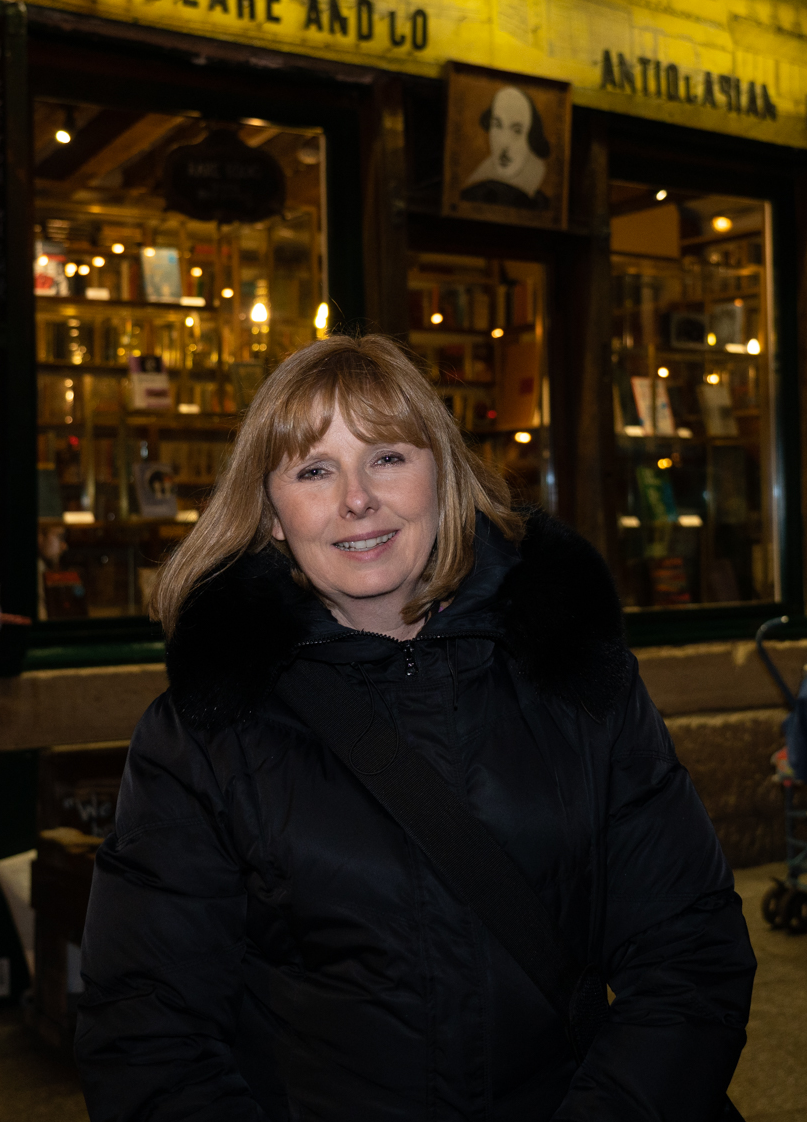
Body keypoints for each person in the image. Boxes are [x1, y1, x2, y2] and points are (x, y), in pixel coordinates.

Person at [76, 335, 755, 1120]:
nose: (357, 499)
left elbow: (690, 959)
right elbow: (147, 1034)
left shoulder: (573, 678)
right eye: (314, 470)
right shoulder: (206, 733)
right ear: (270, 515)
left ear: (445, 475)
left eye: (388, 457)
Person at [459, 85, 552, 210]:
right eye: (497, 125)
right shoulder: (472, 192)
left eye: (517, 130)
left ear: (531, 136)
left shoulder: (539, 202)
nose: (504, 144)